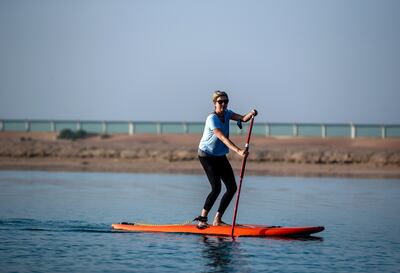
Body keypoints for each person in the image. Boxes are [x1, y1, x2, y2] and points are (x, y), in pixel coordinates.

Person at [195, 90, 258, 228]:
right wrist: (239, 151)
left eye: (226, 101)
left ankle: (217, 219)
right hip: (206, 155)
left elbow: (243, 118)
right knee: (216, 187)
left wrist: (251, 113)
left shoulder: (228, 113)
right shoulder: (212, 118)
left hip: (219, 155)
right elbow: (222, 137)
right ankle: (202, 220)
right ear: (214, 103)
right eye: (220, 101)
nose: (223, 104)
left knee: (231, 187)